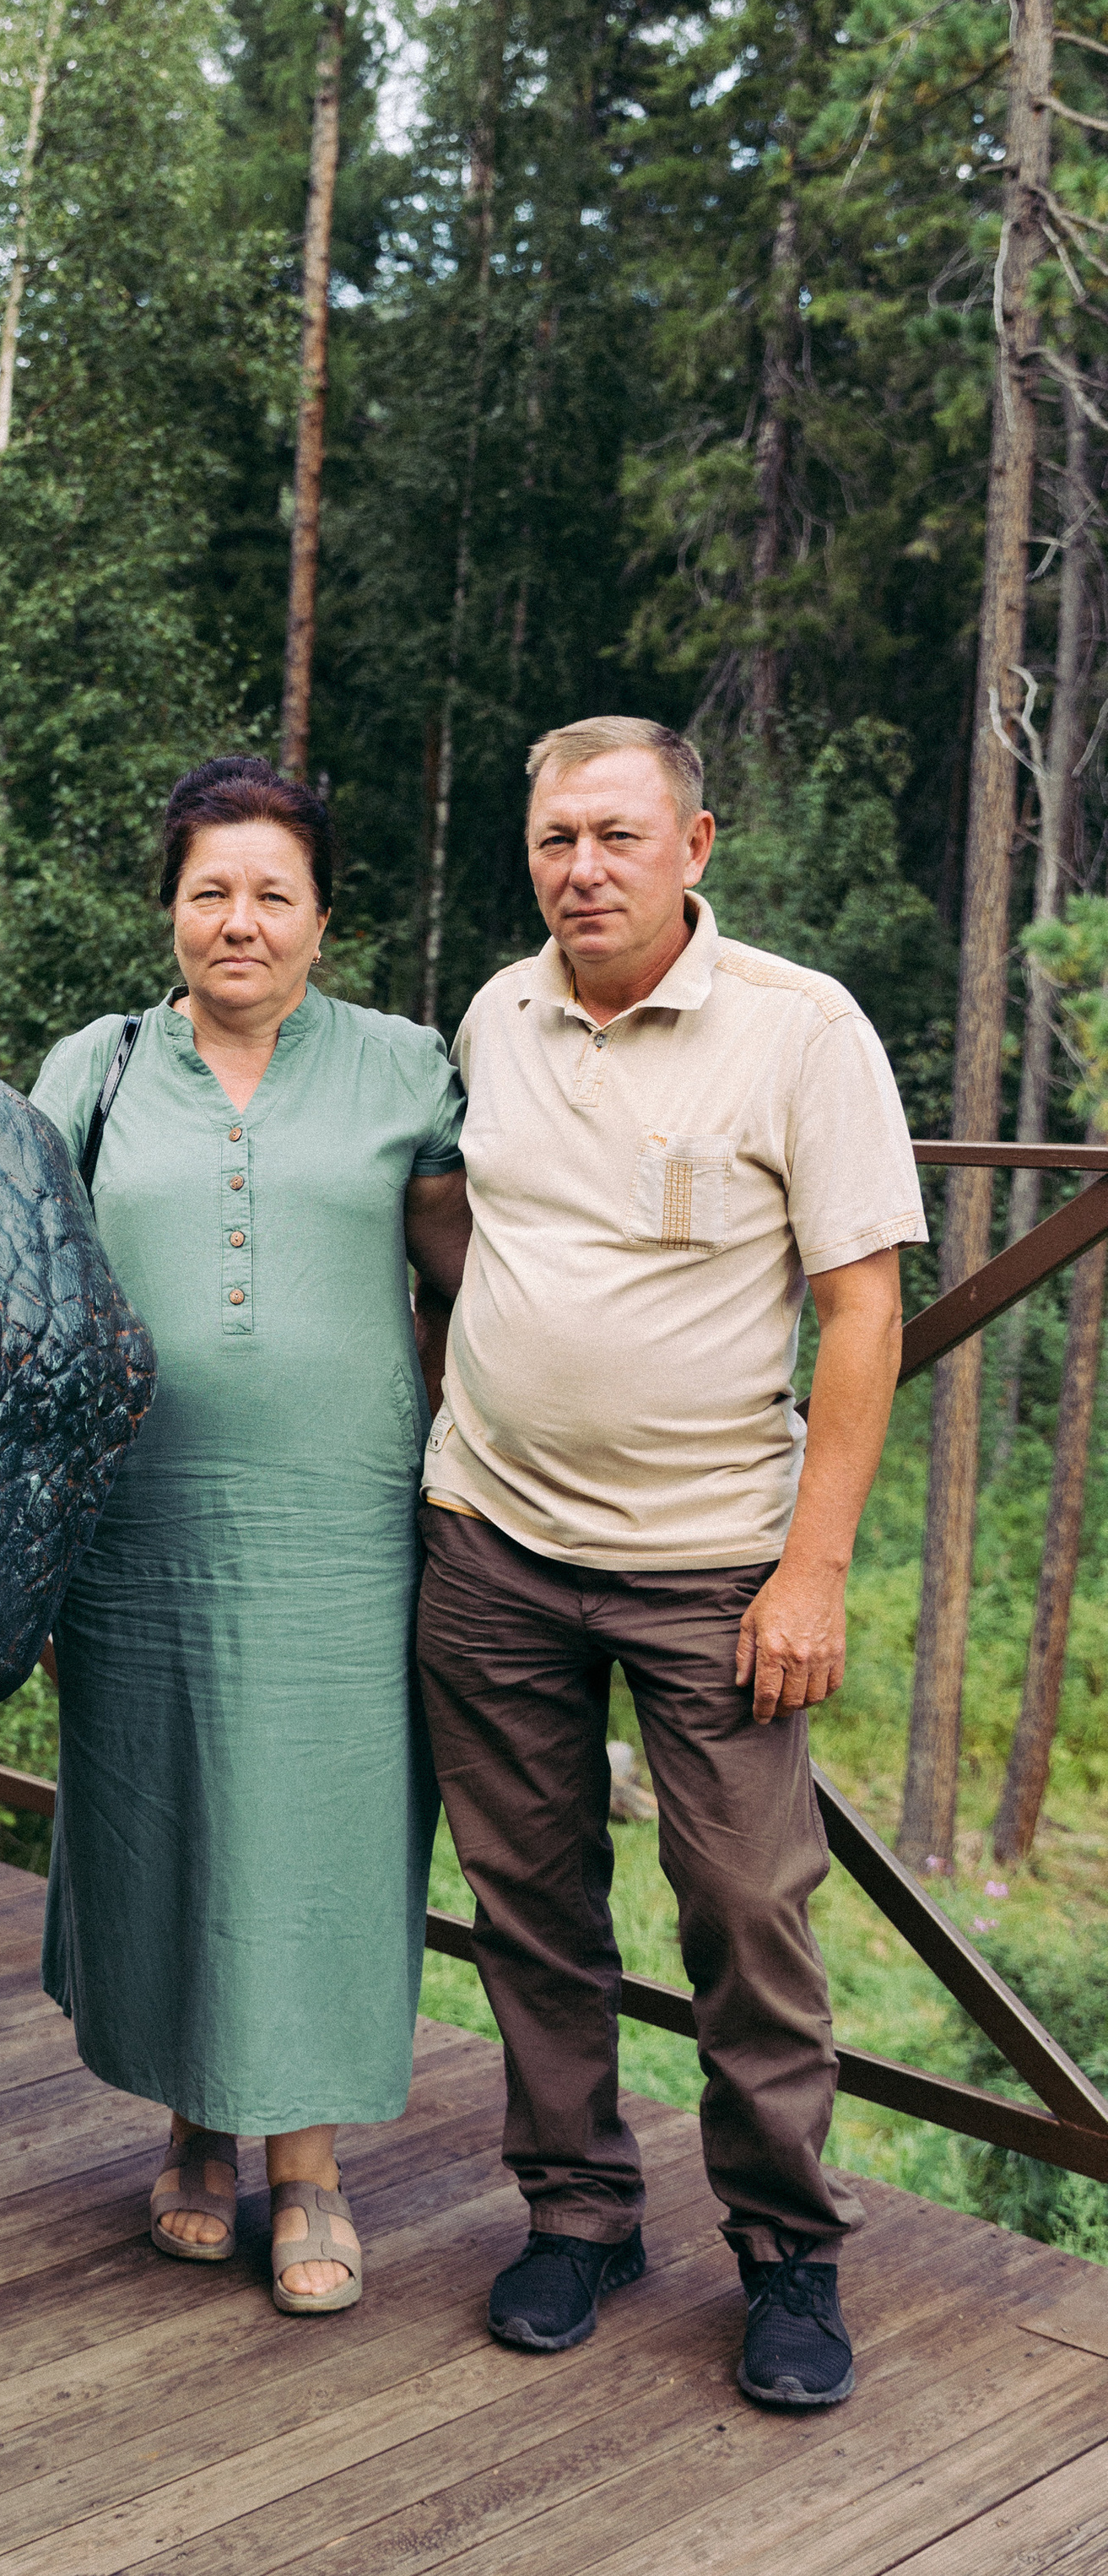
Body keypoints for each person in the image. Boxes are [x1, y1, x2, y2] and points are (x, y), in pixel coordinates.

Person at [415, 714, 924, 2411]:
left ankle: (785, 2252)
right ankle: (576, 2215)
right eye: (556, 837)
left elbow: (861, 1309)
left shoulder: (798, 1031)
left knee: (743, 1914)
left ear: (691, 848)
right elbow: (455, 1225)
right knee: (527, 1912)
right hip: (489, 1544)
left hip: (711, 1565)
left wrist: (814, 1569)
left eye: (616, 837)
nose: (581, 869)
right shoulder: (495, 1015)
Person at [30, 755, 470, 2314]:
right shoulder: (94, 1069)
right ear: (169, 909)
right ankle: (192, 2135)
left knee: (326, 1834)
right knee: (165, 1816)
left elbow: (484, 1266)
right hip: (136, 1524)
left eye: (271, 893)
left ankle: (309, 2164)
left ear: (322, 919)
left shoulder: (406, 1069)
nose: (239, 921)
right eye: (209, 890)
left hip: (344, 1525)